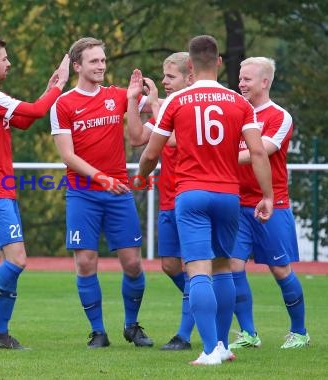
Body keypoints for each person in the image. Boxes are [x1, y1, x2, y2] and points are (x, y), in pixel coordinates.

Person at [138, 35, 274, 365]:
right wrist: (267, 195)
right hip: (228, 194)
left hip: (191, 194)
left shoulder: (176, 102)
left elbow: (151, 152)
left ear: (190, 66)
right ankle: (224, 346)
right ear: (218, 62)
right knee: (224, 268)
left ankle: (211, 348)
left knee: (197, 269)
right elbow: (257, 151)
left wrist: (141, 178)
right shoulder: (239, 103)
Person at [0, 35, 69, 350]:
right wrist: (58, 86)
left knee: (10, 263)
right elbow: (35, 111)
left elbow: (23, 121)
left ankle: (1, 333)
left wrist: (49, 89)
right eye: (5, 59)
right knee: (17, 260)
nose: (10, 64)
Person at [50, 37, 153, 349]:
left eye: (103, 61)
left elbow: (138, 137)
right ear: (78, 65)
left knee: (133, 263)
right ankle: (98, 331)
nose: (101, 66)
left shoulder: (118, 96)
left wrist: (136, 99)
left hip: (118, 190)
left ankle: (132, 326)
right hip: (83, 193)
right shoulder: (63, 104)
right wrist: (100, 178)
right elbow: (67, 155)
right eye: (94, 61)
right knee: (85, 262)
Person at [229, 57, 310, 349]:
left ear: (264, 82)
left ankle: (300, 331)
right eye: (240, 78)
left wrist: (218, 156)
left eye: (247, 79)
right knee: (233, 266)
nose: (241, 84)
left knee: (280, 270)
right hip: (237, 205)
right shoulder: (235, 112)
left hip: (271, 204)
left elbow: (261, 150)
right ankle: (249, 334)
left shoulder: (279, 116)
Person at [132, 52, 196, 351]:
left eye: (170, 76)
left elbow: (171, 139)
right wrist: (135, 102)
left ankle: (184, 335)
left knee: (197, 266)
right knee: (170, 266)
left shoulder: (194, 105)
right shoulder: (166, 107)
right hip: (169, 200)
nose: (164, 82)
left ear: (190, 77)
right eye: (163, 76)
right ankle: (203, 298)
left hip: (192, 197)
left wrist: (156, 105)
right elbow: (136, 137)